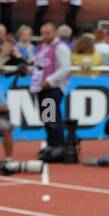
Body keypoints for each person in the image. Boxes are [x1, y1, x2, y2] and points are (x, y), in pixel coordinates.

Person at [28, 22, 73, 152]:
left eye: (47, 33)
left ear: (54, 33)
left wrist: (49, 80)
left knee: (52, 118)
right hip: (41, 87)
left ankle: (57, 146)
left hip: (53, 88)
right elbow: (39, 65)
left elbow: (65, 69)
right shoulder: (41, 47)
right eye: (43, 33)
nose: (45, 36)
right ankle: (52, 144)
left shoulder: (61, 48)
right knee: (47, 118)